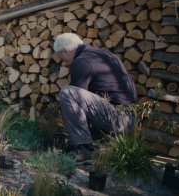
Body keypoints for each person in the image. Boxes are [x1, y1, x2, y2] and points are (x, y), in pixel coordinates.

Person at [53, 33, 137, 163]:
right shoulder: (102, 54)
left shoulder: (82, 62)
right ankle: (93, 143)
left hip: (119, 119)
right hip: (128, 117)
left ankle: (83, 149)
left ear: (67, 51)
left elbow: (76, 102)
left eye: (63, 58)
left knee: (67, 93)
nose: (65, 63)